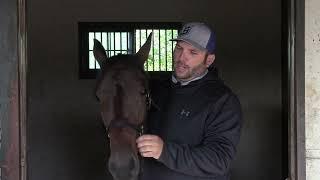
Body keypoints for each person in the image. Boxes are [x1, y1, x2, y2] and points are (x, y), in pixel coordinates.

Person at [136, 22, 242, 180]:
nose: (181, 58)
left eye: (193, 52)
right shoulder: (155, 89)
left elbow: (219, 160)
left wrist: (165, 152)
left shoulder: (222, 100)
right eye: (179, 48)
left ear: (209, 60)